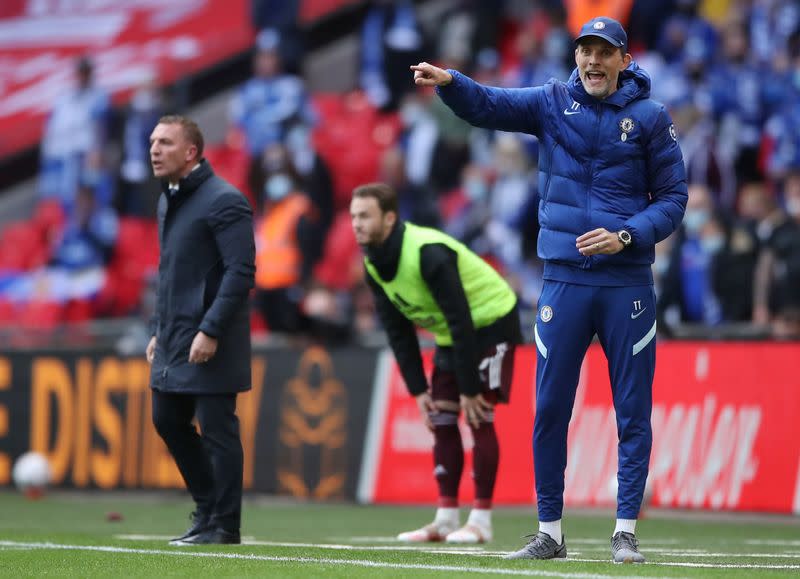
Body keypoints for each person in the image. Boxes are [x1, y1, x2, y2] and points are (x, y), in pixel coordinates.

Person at [411, 15, 687, 563]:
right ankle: (550, 532)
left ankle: (625, 529)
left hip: (625, 282)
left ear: (623, 61)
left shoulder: (651, 118)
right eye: (585, 51)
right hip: (562, 281)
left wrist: (627, 235)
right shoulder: (552, 102)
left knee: (632, 410)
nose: (592, 61)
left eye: (604, 53)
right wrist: (452, 84)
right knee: (549, 410)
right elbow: (490, 105)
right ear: (575, 56)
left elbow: (674, 198)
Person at [351, 182, 522, 544]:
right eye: (353, 216)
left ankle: (481, 521)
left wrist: (471, 389)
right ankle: (445, 520)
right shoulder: (374, 266)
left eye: (365, 216)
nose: (357, 224)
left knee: (478, 414)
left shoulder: (428, 253)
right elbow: (398, 332)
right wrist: (417, 390)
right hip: (452, 333)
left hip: (491, 321)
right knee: (440, 417)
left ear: (390, 218)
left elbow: (460, 317)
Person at [145, 115, 256, 546]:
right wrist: (159, 329)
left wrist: (210, 330)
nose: (154, 149)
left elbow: (241, 271)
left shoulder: (224, 201)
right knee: (166, 419)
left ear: (191, 151)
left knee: (217, 427)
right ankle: (208, 508)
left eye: (165, 142)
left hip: (212, 337)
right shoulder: (167, 200)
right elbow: (170, 274)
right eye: (153, 141)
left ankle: (225, 525)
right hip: (174, 336)